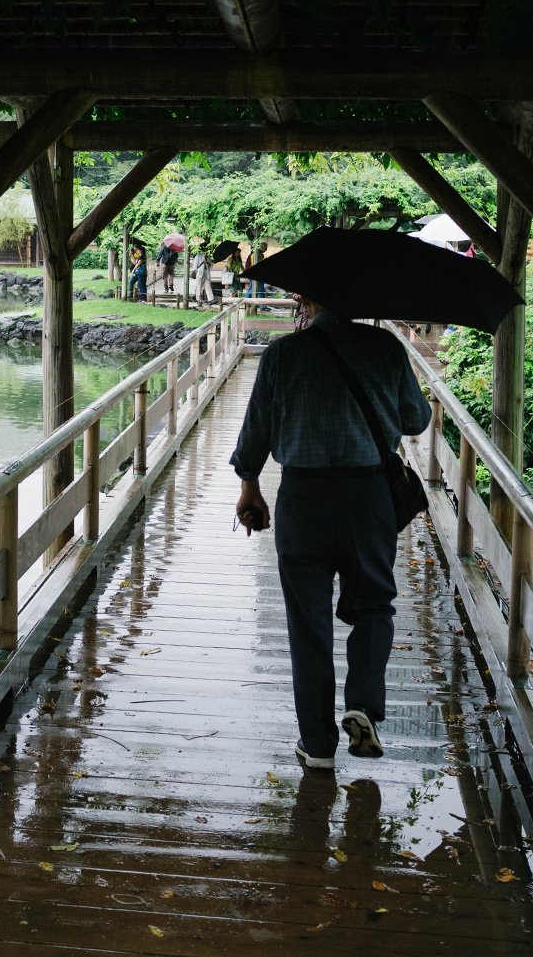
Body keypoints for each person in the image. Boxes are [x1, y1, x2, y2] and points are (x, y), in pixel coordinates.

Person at [230, 297, 431, 771]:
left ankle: (317, 746)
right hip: (369, 497)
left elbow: (256, 431)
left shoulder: (282, 354)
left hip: (303, 497)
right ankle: (363, 702)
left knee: (308, 622)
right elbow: (416, 420)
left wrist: (250, 489)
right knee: (375, 605)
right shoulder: (386, 346)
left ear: (307, 299)